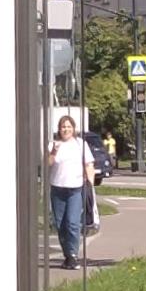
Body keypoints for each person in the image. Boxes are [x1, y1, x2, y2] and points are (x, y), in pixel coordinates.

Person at [45, 114, 94, 268]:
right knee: (60, 225)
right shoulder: (53, 144)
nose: (66, 129)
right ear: (59, 129)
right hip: (57, 189)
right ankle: (68, 255)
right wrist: (53, 152)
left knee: (73, 223)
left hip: (75, 189)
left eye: (68, 126)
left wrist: (90, 185)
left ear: (73, 129)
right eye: (63, 127)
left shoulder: (80, 144)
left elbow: (89, 165)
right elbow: (46, 164)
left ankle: (73, 255)